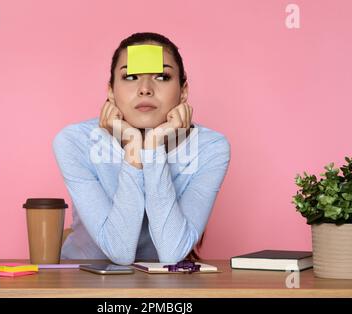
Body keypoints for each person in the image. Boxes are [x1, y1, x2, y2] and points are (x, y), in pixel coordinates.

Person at [53, 32, 230, 265]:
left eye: (162, 76)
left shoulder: (211, 148)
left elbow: (172, 254)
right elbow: (119, 251)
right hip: (82, 284)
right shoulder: (74, 141)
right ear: (110, 91)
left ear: (183, 91)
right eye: (131, 77)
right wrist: (133, 148)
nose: (145, 89)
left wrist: (153, 145)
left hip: (165, 290)